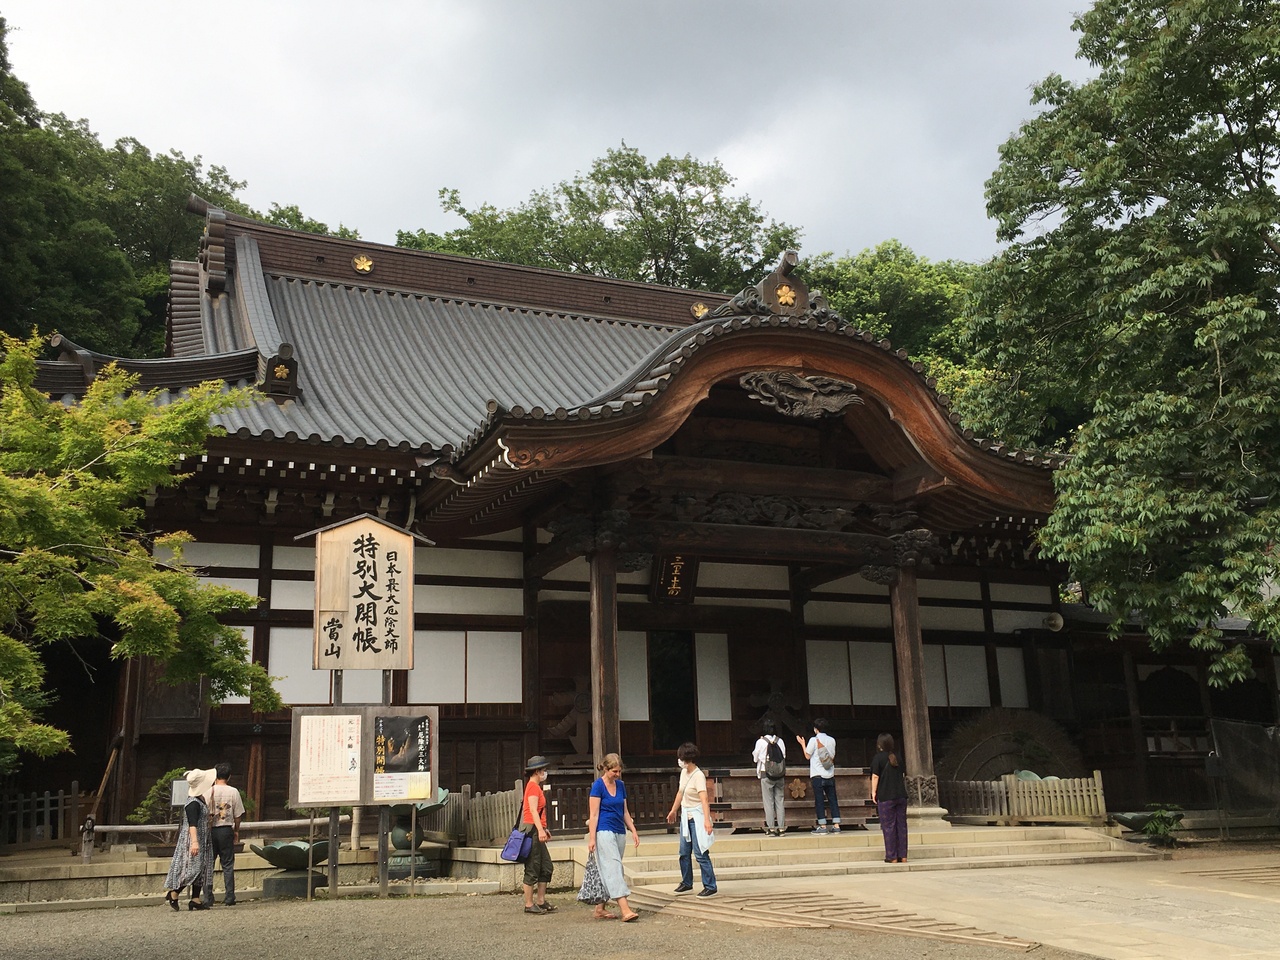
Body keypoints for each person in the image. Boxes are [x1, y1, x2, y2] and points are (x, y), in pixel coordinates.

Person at [586, 753, 641, 921]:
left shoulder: (621, 785)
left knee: (609, 868)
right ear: (606, 769)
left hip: (619, 830)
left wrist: (633, 829)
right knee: (615, 868)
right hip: (604, 830)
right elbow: (593, 814)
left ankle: (599, 908)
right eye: (614, 771)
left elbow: (625, 811)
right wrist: (592, 838)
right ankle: (625, 909)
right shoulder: (598, 786)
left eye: (619, 771)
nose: (617, 774)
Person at [664, 742, 717, 898]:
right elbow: (680, 793)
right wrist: (673, 810)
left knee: (700, 853)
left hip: (697, 816)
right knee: (684, 852)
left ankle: (710, 885)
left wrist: (707, 820)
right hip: (686, 816)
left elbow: (704, 799)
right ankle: (687, 882)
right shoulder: (684, 773)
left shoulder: (698, 776)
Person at [162, 768, 216, 911]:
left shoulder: (199, 799)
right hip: (193, 838)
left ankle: (195, 898)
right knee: (192, 868)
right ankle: (174, 892)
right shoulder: (193, 803)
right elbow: (192, 824)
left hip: (203, 838)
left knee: (202, 868)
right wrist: (195, 842)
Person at [204, 762, 246, 906]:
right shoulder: (234, 792)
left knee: (209, 864)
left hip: (211, 830)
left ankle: (208, 897)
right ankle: (229, 896)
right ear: (229, 776)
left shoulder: (207, 791)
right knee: (228, 864)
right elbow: (238, 815)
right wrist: (236, 831)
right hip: (226, 829)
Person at [521, 755, 556, 914]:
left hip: (537, 828)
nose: (545, 773)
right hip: (533, 830)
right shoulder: (533, 787)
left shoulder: (534, 786)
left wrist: (544, 828)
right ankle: (529, 904)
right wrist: (540, 829)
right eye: (543, 770)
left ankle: (540, 900)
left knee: (545, 866)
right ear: (537, 771)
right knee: (533, 866)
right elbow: (533, 810)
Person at [797, 718, 840, 834]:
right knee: (833, 800)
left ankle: (823, 826)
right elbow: (832, 756)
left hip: (817, 775)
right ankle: (836, 825)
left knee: (820, 801)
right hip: (830, 774)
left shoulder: (813, 740)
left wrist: (803, 744)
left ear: (816, 729)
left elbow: (807, 756)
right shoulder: (832, 740)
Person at [871, 732, 908, 863]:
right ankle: (903, 855)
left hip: (886, 795)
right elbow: (902, 774)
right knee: (901, 826)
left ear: (879, 744)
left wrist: (873, 792)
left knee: (888, 826)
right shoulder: (897, 757)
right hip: (901, 795)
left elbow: (875, 776)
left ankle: (892, 856)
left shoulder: (878, 758)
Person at [751, 719, 787, 837]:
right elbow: (784, 756)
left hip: (765, 773)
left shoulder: (760, 742)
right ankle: (781, 828)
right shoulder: (780, 741)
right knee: (780, 801)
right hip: (779, 774)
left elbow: (755, 758)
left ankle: (771, 828)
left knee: (768, 802)